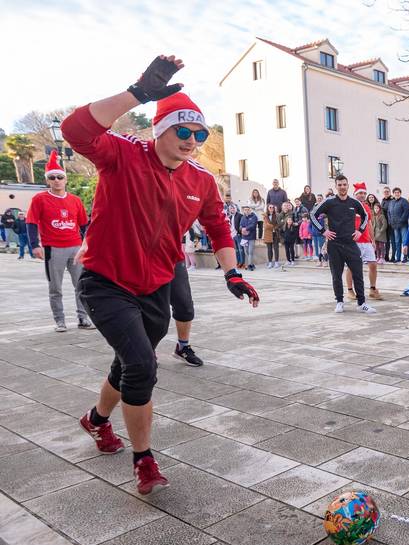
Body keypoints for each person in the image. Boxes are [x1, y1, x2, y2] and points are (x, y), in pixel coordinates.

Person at [65, 55, 258, 494]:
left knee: (128, 364)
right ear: (161, 128)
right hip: (106, 280)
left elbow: (218, 227)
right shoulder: (123, 155)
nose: (192, 140)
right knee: (141, 364)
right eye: (183, 131)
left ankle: (95, 421)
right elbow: (77, 130)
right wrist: (138, 93)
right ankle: (144, 459)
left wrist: (233, 275)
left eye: (200, 133)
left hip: (156, 286)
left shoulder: (201, 181)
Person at [25, 151, 92, 332]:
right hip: (53, 248)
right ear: (48, 180)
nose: (56, 180)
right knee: (56, 287)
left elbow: (84, 225)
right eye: (52, 177)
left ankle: (83, 318)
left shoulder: (75, 200)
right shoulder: (39, 199)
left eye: (60, 177)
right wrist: (34, 246)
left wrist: (87, 245)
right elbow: (31, 222)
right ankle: (60, 320)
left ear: (65, 179)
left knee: (81, 285)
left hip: (75, 247)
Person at [310, 174, 375, 313]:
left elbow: (365, 216)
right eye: (339, 185)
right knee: (336, 274)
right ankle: (339, 301)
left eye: (344, 184)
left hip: (351, 244)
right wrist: (323, 231)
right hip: (334, 244)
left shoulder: (354, 202)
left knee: (358, 273)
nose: (342, 187)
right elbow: (312, 215)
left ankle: (361, 303)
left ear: (347, 185)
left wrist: (360, 231)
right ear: (336, 186)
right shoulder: (329, 202)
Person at [344, 183, 382, 301]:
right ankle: (350, 290)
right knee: (352, 266)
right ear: (355, 194)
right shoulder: (349, 205)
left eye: (364, 193)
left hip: (366, 240)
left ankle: (372, 289)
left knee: (373, 265)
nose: (362, 195)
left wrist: (373, 240)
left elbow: (369, 224)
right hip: (353, 241)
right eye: (360, 193)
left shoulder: (366, 207)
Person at [388, 187, 409, 263]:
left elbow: (406, 212)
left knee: (404, 241)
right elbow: (389, 213)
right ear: (393, 194)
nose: (397, 194)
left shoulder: (404, 201)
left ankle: (405, 257)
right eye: (395, 192)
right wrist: (390, 221)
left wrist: (401, 221)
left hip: (403, 225)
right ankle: (398, 258)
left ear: (400, 193)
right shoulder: (391, 202)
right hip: (394, 226)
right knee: (397, 241)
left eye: (398, 192)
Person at [262, 203, 284, 269]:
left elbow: (279, 224)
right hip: (268, 234)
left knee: (276, 248)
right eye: (270, 207)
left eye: (272, 208)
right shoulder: (265, 215)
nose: (271, 209)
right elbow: (266, 225)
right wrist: (273, 227)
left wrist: (275, 227)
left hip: (275, 234)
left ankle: (276, 262)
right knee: (269, 249)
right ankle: (270, 262)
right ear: (268, 208)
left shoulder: (277, 215)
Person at [239, 203, 258, 271]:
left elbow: (253, 225)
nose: (246, 211)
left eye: (248, 209)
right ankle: (251, 264)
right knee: (246, 251)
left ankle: (250, 265)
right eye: (245, 210)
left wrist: (246, 229)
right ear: (243, 211)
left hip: (251, 237)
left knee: (250, 251)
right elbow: (240, 226)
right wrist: (242, 230)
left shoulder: (254, 217)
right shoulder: (242, 217)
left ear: (250, 210)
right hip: (244, 237)